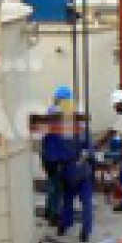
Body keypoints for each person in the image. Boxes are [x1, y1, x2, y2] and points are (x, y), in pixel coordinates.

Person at [40, 86, 74, 226]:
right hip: (58, 157)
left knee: (52, 183)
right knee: (57, 186)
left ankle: (49, 211)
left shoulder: (50, 112)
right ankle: (54, 215)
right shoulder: (66, 115)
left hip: (49, 155)